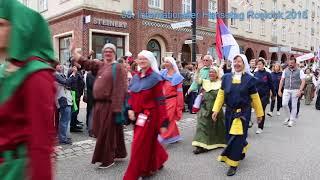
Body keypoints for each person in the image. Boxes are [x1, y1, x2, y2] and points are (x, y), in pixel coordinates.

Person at [0, 0, 56, 179]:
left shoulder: (36, 74)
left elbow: (41, 144)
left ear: (18, 27)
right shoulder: (7, 68)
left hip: (16, 171)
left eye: (1, 24)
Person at [71, 43, 127, 168]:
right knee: (110, 131)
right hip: (99, 105)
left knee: (105, 133)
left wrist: (117, 108)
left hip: (110, 105)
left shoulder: (117, 67)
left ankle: (107, 158)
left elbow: (120, 88)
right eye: (105, 51)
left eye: (110, 51)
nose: (107, 53)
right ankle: (119, 152)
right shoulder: (101, 65)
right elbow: (86, 63)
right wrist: (75, 53)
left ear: (114, 53)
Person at [212, 54, 263, 176]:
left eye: (239, 62)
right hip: (229, 112)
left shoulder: (249, 80)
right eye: (235, 62)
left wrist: (259, 113)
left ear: (244, 64)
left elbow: (255, 98)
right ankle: (242, 147)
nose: (236, 64)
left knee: (236, 137)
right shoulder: (226, 77)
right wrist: (215, 110)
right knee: (231, 136)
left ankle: (233, 164)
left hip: (243, 114)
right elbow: (221, 95)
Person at [124, 50, 169, 179]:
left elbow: (161, 101)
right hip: (138, 117)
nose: (141, 61)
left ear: (150, 61)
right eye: (139, 59)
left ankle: (131, 175)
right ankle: (156, 162)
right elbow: (131, 96)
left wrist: (163, 121)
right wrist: (130, 108)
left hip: (150, 117)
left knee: (138, 145)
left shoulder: (156, 78)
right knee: (148, 142)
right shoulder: (136, 77)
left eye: (144, 59)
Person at [192, 66, 226, 154]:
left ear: (217, 74)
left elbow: (223, 97)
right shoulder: (205, 82)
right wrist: (198, 70)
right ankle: (200, 146)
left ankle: (213, 143)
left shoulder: (221, 83)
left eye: (213, 72)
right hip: (205, 108)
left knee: (216, 127)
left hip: (216, 108)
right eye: (210, 72)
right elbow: (196, 80)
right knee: (202, 125)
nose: (211, 74)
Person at [158, 57, 184, 144]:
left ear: (172, 63)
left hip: (172, 101)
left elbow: (180, 94)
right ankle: (175, 136)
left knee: (168, 118)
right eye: (164, 62)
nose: (165, 63)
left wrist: (179, 106)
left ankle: (162, 137)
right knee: (168, 119)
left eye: (167, 62)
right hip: (162, 101)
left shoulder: (177, 77)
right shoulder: (162, 74)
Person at [279, 58, 306, 127]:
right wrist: (279, 90)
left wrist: (300, 90)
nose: (290, 64)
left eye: (292, 63)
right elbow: (282, 80)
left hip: (295, 89)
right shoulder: (285, 70)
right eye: (289, 63)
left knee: (294, 105)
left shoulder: (300, 71)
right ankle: (288, 117)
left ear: (295, 63)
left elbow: (303, 81)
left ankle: (291, 120)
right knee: (284, 104)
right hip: (286, 89)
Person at [55, 64, 77, 144]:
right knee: (64, 120)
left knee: (66, 120)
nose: (61, 66)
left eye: (61, 65)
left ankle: (64, 137)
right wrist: (73, 73)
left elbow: (70, 83)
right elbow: (66, 82)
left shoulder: (61, 75)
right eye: (58, 65)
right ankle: (63, 139)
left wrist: (72, 75)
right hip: (63, 100)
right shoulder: (56, 75)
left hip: (67, 99)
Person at [254, 58, 275, 134]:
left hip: (265, 95)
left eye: (260, 64)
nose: (258, 65)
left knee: (261, 110)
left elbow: (271, 85)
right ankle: (259, 121)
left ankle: (260, 127)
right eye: (258, 64)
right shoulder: (255, 73)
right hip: (256, 95)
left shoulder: (267, 74)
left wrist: (274, 94)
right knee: (257, 111)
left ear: (263, 65)